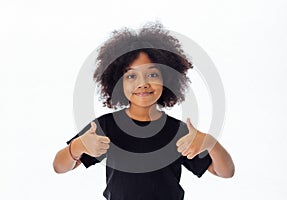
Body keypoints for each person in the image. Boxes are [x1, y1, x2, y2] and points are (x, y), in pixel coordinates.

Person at [53, 22, 235, 200]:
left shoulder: (179, 132)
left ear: (167, 78)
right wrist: (77, 146)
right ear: (117, 82)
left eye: (153, 74)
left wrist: (210, 142)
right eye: (131, 76)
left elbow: (225, 172)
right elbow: (60, 166)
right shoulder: (106, 126)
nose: (143, 83)